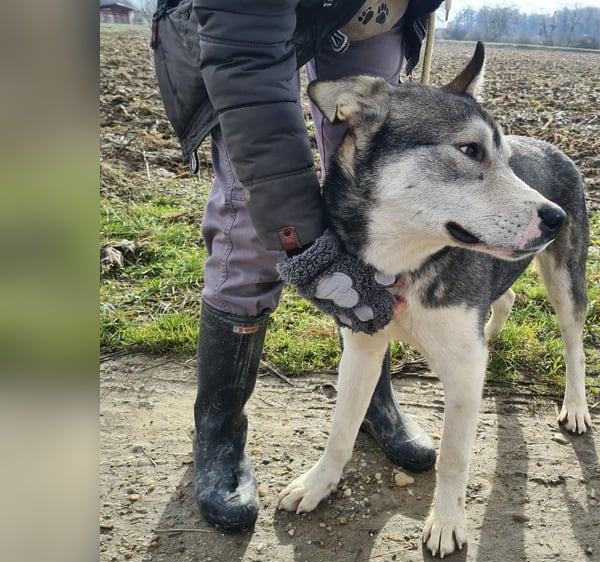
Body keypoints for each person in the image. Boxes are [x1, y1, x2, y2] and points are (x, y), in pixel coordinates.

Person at [151, 0, 444, 532]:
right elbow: (250, 89)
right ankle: (218, 427)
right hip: (247, 26)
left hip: (369, 14)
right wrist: (305, 252)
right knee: (247, 214)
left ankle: (371, 398)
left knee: (372, 198)